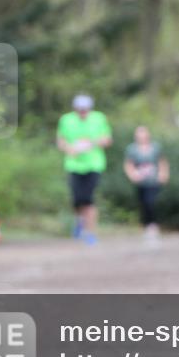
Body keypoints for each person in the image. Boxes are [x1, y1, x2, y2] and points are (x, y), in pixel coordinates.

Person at [56, 95, 112, 245]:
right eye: (80, 110)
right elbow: (60, 141)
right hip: (73, 165)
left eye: (85, 110)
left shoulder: (99, 118)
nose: (83, 113)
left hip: (94, 165)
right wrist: (70, 149)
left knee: (88, 200)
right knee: (77, 199)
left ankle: (90, 232)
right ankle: (80, 221)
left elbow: (107, 140)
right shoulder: (66, 120)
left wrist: (92, 143)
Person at [122, 125, 169, 240]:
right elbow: (129, 164)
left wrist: (163, 174)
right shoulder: (132, 149)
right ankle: (146, 224)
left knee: (151, 201)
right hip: (141, 182)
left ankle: (153, 225)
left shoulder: (155, 147)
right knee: (143, 203)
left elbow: (162, 161)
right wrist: (132, 175)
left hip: (153, 181)